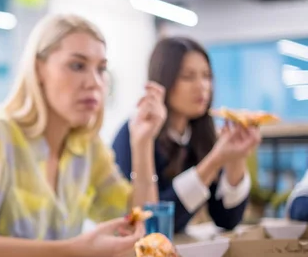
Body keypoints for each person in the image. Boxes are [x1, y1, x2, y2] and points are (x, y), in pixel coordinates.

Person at [0, 14, 166, 257]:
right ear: (38, 70)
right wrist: (76, 250)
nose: (94, 82)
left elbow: (137, 228)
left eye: (101, 69)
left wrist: (143, 143)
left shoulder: (88, 146)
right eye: (77, 66)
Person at [112, 37, 261, 234]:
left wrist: (236, 159)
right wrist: (214, 162)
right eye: (188, 77)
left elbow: (227, 219)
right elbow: (151, 224)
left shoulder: (200, 136)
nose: (202, 86)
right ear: (164, 80)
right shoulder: (135, 135)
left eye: (207, 76)